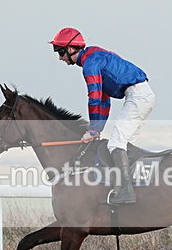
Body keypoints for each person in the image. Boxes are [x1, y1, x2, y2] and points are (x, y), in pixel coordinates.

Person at [49, 27, 155, 204]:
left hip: (137, 95)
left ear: (70, 48)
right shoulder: (93, 58)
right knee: (125, 146)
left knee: (116, 144)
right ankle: (133, 189)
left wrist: (92, 130)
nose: (60, 58)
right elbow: (104, 100)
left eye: (60, 52)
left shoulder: (90, 64)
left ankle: (127, 193)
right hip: (141, 94)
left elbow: (95, 98)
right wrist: (97, 129)